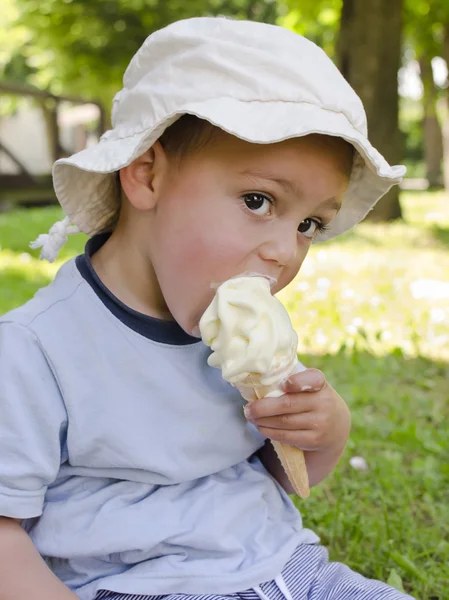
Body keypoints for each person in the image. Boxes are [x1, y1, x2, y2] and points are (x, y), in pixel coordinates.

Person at [0, 16, 413, 600]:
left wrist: (324, 431)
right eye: (257, 200)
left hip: (292, 569)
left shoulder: (238, 333)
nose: (284, 250)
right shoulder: (35, 351)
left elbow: (284, 478)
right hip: (141, 584)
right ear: (146, 174)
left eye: (309, 225)